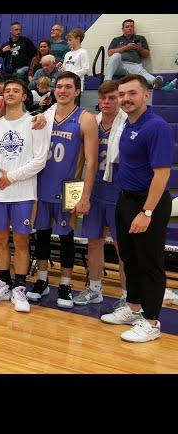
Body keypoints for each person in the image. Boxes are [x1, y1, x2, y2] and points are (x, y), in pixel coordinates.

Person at [99, 74, 173, 343]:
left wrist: (147, 212)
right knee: (129, 258)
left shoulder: (157, 127)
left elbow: (162, 174)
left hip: (148, 203)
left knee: (149, 263)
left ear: (146, 96)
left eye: (132, 93)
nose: (126, 99)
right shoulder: (127, 122)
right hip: (126, 199)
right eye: (122, 95)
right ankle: (133, 308)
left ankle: (151, 321)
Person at [28, 72, 99, 308]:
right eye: (59, 86)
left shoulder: (85, 119)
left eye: (68, 87)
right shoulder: (43, 117)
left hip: (70, 187)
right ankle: (42, 279)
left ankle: (66, 283)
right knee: (42, 236)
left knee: (67, 238)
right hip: (41, 184)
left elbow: (91, 161)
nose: (63, 90)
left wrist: (85, 195)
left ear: (77, 91)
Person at [0, 78, 50, 312]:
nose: (10, 93)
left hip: (22, 192)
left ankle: (20, 288)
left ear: (24, 96)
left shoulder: (35, 123)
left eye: (15, 90)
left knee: (21, 240)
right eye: (7, 90)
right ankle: (3, 284)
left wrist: (12, 177)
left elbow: (39, 160)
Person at [74, 80, 127, 307]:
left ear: (120, 99)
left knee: (122, 245)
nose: (106, 102)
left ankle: (128, 295)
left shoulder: (128, 124)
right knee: (94, 241)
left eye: (112, 97)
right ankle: (94, 288)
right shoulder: (92, 123)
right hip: (94, 189)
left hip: (119, 190)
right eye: (103, 98)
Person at [104, 19, 163, 89]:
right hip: (119, 65)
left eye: (132, 26)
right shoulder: (116, 39)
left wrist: (139, 48)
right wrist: (125, 48)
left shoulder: (140, 38)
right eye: (127, 26)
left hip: (134, 65)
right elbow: (110, 53)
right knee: (116, 55)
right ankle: (107, 82)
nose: (130, 28)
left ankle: (155, 81)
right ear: (123, 29)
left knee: (143, 73)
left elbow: (146, 55)